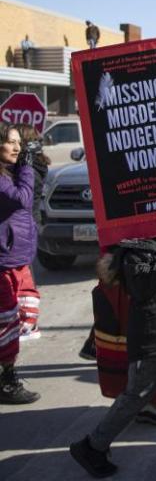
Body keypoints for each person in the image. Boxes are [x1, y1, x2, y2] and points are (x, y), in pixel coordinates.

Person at [69, 233, 156, 478]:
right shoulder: (135, 249)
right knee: (134, 399)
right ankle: (92, 446)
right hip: (154, 340)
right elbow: (148, 284)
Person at [0, 123, 40, 404]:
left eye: (19, 143)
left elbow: (34, 196)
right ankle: (7, 380)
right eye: (10, 143)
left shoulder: (11, 173)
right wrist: (26, 167)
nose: (17, 148)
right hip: (3, 263)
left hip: (18, 260)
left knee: (22, 317)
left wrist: (36, 164)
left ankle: (8, 374)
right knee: (6, 322)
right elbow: (22, 198)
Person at [13, 125, 49, 341]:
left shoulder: (30, 166)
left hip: (27, 223)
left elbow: (24, 195)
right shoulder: (37, 162)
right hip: (31, 221)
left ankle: (29, 321)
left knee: (25, 274)